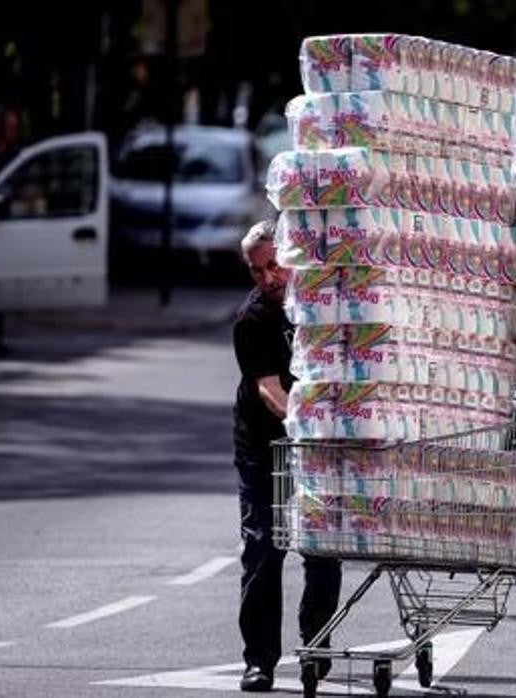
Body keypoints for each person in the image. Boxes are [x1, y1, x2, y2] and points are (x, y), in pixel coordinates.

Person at [232, 220, 342, 693]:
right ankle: (259, 660)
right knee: (263, 547)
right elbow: (269, 391)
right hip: (265, 445)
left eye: (275, 265)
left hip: (315, 444)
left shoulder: (319, 305)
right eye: (257, 271)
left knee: (321, 548)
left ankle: (315, 645)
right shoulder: (252, 318)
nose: (268, 278)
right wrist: (305, 426)